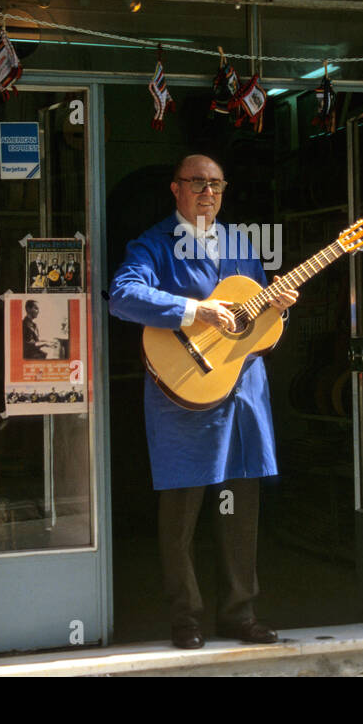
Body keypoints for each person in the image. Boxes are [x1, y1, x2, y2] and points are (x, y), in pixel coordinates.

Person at [108, 154, 297, 650]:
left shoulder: (241, 243)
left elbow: (259, 326)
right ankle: (185, 618)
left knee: (240, 512)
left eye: (216, 184)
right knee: (181, 514)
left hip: (241, 396)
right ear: (175, 189)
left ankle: (240, 613)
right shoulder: (152, 244)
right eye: (197, 183)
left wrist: (277, 308)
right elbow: (122, 296)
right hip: (185, 397)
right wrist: (196, 311)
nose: (207, 192)